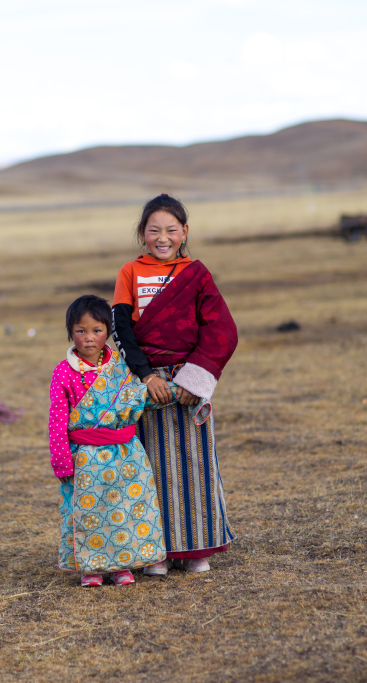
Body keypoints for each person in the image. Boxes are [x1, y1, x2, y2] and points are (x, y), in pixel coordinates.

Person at [112, 194, 238, 575]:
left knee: (194, 465)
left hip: (188, 384)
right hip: (147, 385)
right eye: (154, 230)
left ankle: (196, 549)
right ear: (142, 234)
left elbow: (221, 329)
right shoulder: (129, 273)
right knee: (149, 467)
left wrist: (193, 381)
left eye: (171, 230)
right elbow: (122, 330)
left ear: (185, 233)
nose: (162, 237)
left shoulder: (197, 275)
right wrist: (147, 377)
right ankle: (157, 552)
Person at [48, 294, 209, 587]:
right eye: (80, 331)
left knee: (124, 510)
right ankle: (91, 569)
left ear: (108, 332)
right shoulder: (64, 372)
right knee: (90, 514)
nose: (89, 338)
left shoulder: (121, 369)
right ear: (70, 332)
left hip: (126, 454)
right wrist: (62, 462)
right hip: (85, 456)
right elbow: (57, 421)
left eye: (97, 330)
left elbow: (142, 397)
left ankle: (124, 566)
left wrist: (184, 391)